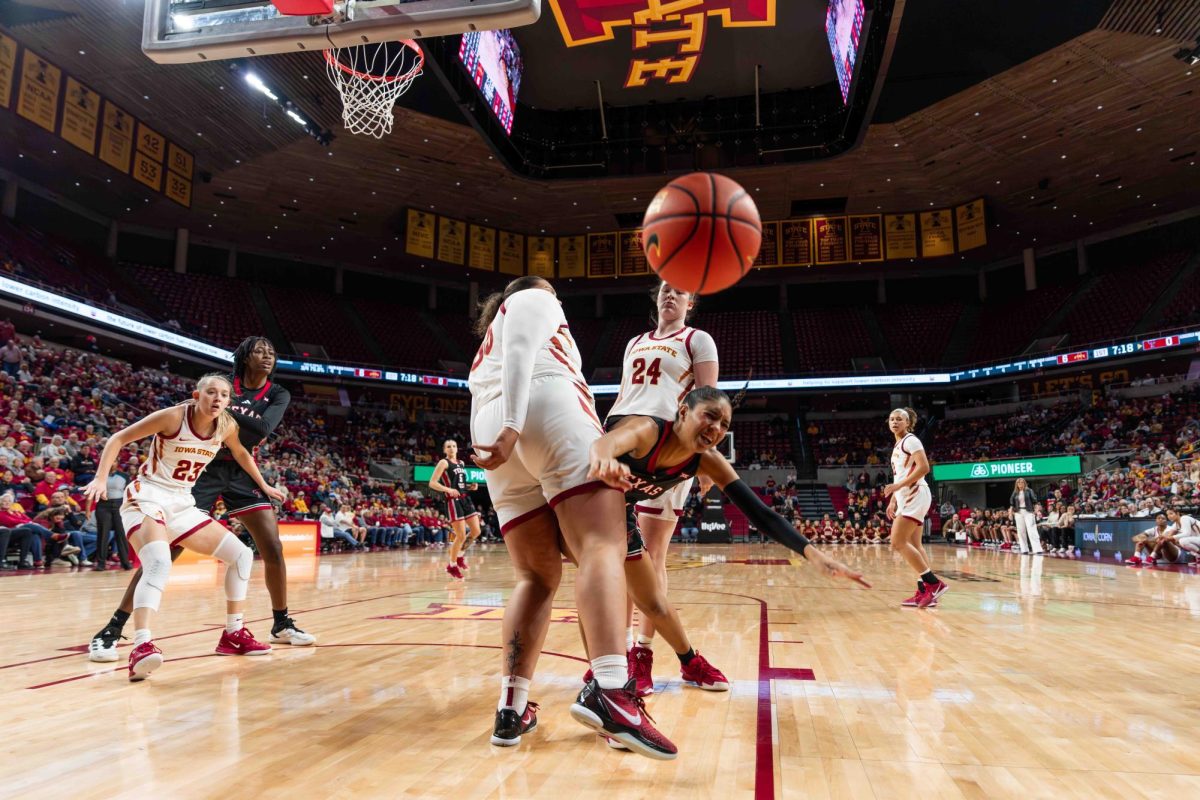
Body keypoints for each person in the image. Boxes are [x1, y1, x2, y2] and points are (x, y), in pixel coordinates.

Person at [469, 275, 676, 759]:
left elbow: (511, 354)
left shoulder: (484, 346)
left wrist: (506, 430)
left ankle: (511, 707)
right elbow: (522, 348)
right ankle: (612, 691)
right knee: (602, 545)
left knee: (534, 577)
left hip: (488, 422)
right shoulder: (531, 298)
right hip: (540, 408)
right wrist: (514, 426)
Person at [590, 387, 869, 700]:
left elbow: (761, 515)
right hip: (577, 500)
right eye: (709, 416)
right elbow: (603, 444)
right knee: (597, 580)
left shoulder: (706, 460)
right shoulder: (647, 430)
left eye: (724, 424)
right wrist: (604, 461)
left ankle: (689, 661)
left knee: (652, 599)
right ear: (683, 412)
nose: (717, 428)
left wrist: (815, 556)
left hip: (617, 511)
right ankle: (604, 668)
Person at [88, 337, 313, 663]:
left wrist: (223, 408)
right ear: (244, 356)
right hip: (199, 473)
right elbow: (130, 434)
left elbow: (260, 430)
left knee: (270, 546)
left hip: (239, 470)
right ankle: (115, 626)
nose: (267, 357)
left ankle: (279, 623)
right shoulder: (220, 386)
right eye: (260, 352)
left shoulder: (272, 394)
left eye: (271, 353)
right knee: (166, 551)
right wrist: (214, 403)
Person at [606, 281, 719, 684]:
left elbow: (708, 403)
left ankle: (643, 653)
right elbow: (624, 395)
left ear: (691, 302)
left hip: (668, 455)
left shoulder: (697, 340)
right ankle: (612, 656)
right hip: (626, 446)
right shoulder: (634, 341)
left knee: (651, 557)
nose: (670, 295)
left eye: (679, 292)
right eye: (664, 290)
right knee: (617, 558)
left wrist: (705, 462)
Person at [883, 408, 947, 609]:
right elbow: (901, 475)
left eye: (899, 419)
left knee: (897, 541)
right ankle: (923, 592)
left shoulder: (911, 440)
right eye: (892, 419)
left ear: (908, 422)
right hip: (906, 495)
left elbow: (924, 468)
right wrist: (894, 499)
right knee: (915, 545)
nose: (895, 422)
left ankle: (934, 583)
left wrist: (898, 488)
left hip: (915, 493)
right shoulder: (898, 444)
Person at [428, 439, 482, 579]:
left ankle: (460, 556)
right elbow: (432, 483)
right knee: (461, 535)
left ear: (457, 449)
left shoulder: (461, 463)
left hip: (465, 499)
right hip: (453, 501)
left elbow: (460, 484)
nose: (451, 448)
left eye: (453, 446)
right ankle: (452, 566)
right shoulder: (444, 462)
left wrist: (470, 486)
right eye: (448, 447)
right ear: (444, 450)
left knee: (476, 531)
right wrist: (448, 489)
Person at [1009, 478, 1042, 555]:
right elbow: (1011, 503)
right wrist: (1010, 513)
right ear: (1016, 484)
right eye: (1018, 482)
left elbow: (1035, 501)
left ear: (1025, 483)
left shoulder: (1029, 490)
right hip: (1018, 513)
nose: (1020, 483)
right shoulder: (1015, 492)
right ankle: (1024, 549)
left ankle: (1037, 549)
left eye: (1022, 482)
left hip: (1028, 512)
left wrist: (1037, 511)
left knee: (1032, 530)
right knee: (1021, 531)